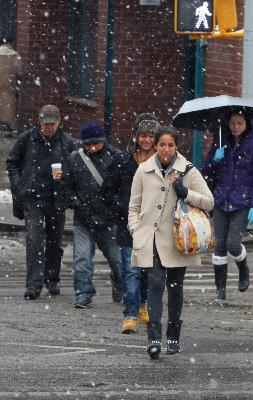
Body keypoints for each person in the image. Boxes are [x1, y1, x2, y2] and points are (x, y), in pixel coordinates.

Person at [129, 126, 214, 359]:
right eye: (162, 145)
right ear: (155, 146)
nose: (166, 150)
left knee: (175, 288)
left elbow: (209, 202)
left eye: (171, 145)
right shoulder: (143, 170)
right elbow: (133, 206)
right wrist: (135, 229)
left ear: (176, 147)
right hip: (152, 237)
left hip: (178, 239)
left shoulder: (187, 170)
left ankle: (173, 336)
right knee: (155, 285)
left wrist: (185, 191)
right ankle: (154, 338)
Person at [6, 105, 79, 299]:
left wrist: (65, 180)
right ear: (40, 122)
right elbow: (12, 161)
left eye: (52, 124)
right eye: (45, 124)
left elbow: (76, 167)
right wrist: (19, 185)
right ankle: (34, 285)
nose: (48, 127)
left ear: (58, 122)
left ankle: (52, 279)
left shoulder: (67, 142)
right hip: (33, 198)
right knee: (34, 242)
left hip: (56, 199)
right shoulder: (27, 138)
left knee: (55, 242)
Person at [102, 114, 160, 334]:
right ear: (136, 137)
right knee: (131, 270)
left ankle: (143, 304)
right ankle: (130, 314)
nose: (146, 140)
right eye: (143, 135)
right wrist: (122, 206)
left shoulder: (163, 162)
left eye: (150, 136)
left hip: (154, 225)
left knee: (147, 271)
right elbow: (107, 190)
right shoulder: (122, 161)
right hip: (129, 225)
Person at [56, 122, 124, 308]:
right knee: (81, 259)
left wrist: (115, 205)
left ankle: (119, 283)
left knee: (117, 260)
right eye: (88, 144)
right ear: (82, 143)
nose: (92, 148)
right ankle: (83, 293)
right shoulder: (74, 159)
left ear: (103, 141)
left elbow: (123, 187)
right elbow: (65, 187)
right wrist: (74, 200)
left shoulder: (116, 157)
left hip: (109, 219)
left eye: (96, 143)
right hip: (83, 219)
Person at [201, 110, 253, 300]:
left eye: (239, 123)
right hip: (220, 199)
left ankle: (243, 267)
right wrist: (214, 159)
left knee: (233, 243)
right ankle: (220, 288)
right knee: (220, 245)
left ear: (247, 124)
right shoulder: (220, 140)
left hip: (242, 201)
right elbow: (205, 172)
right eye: (232, 123)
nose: (235, 127)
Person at [0, 35, 22, 135]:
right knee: (8, 109)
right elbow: (19, 70)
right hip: (9, 87)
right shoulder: (14, 55)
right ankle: (9, 129)